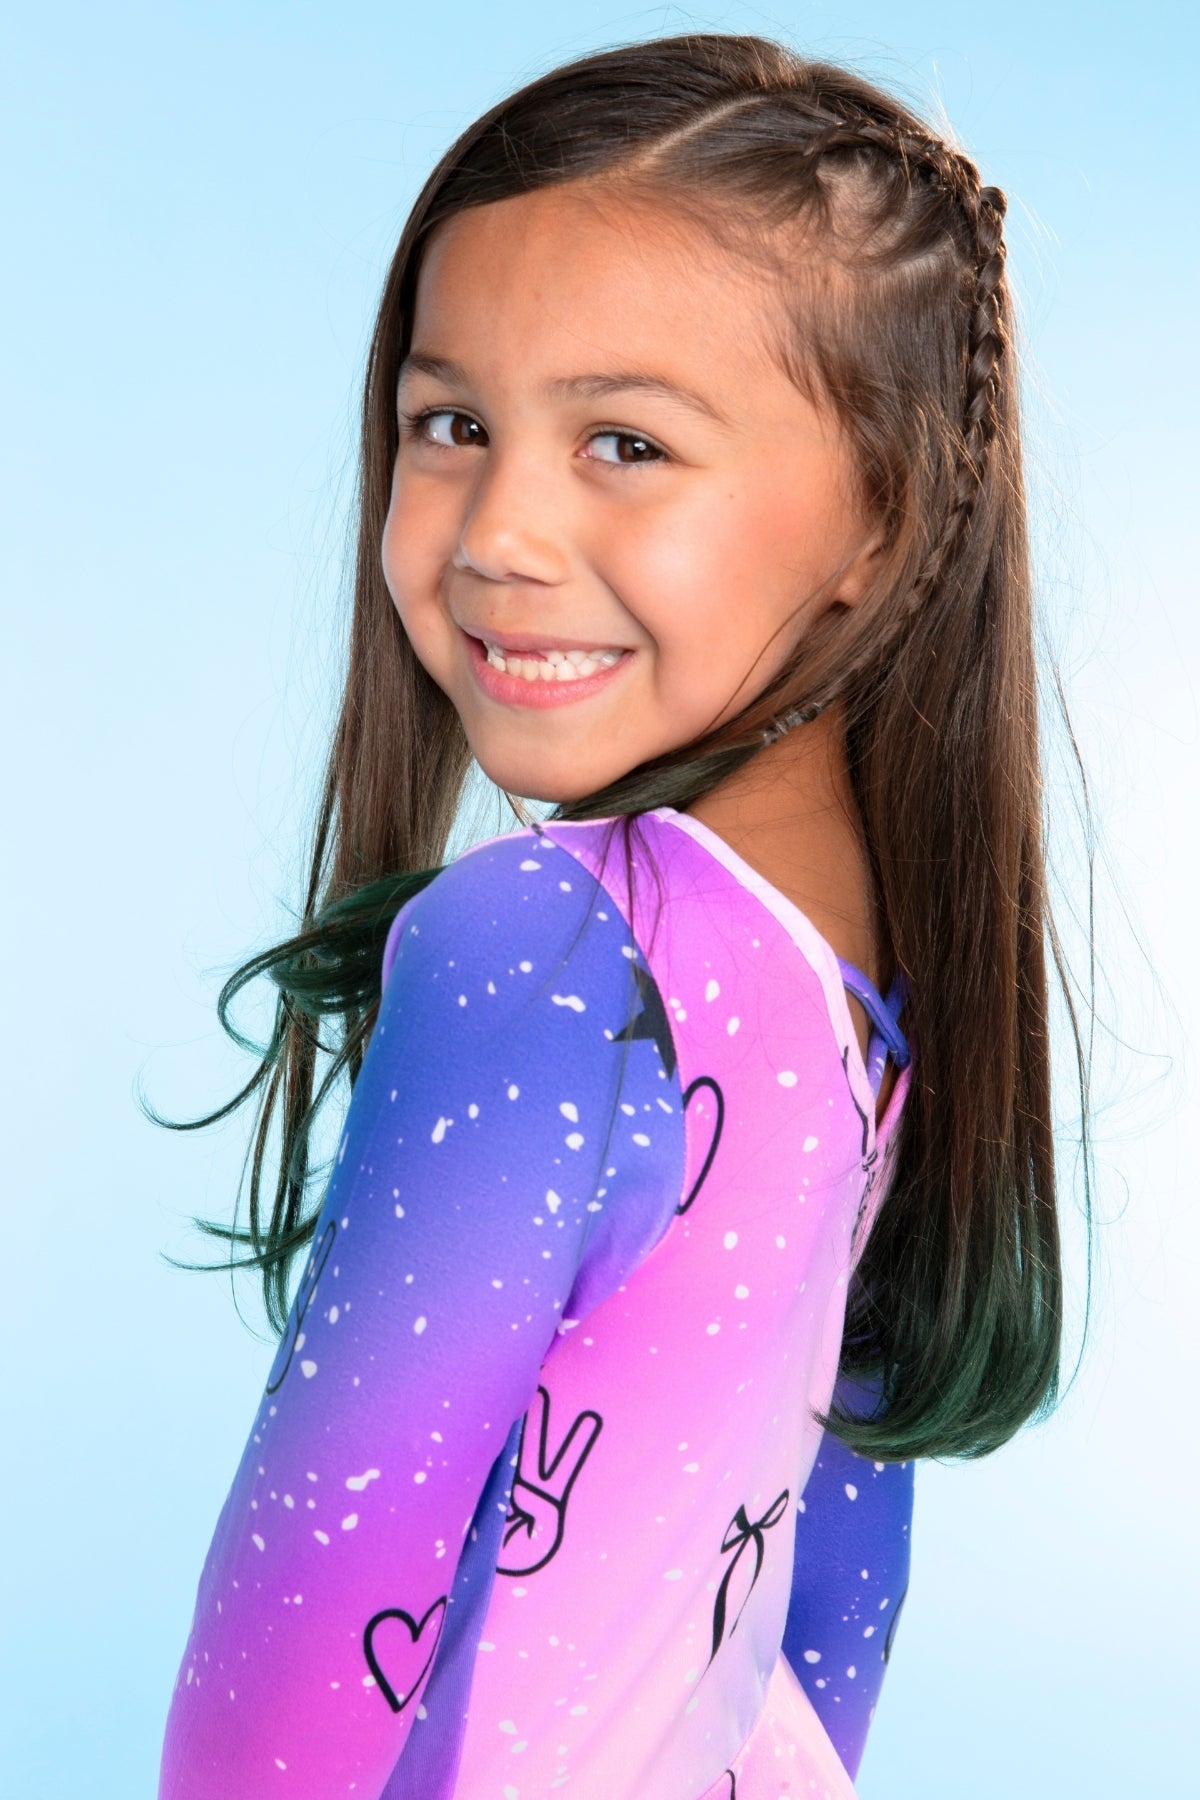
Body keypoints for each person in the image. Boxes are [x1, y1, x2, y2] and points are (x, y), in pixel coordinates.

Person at [156, 30, 1087, 1799]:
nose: (499, 531)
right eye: (452, 424)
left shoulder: (544, 949)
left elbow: (317, 1603)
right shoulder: (874, 985)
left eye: (625, 442)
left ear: (884, 517)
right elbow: (833, 1596)